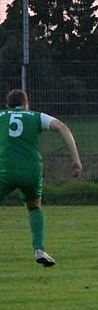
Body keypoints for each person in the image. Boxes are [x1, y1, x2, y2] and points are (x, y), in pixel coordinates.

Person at [0, 89, 82, 267]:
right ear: (26, 104)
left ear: (7, 105)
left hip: (5, 170)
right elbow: (61, 127)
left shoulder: (1, 116)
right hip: (31, 171)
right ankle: (39, 250)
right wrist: (76, 160)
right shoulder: (36, 116)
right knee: (34, 207)